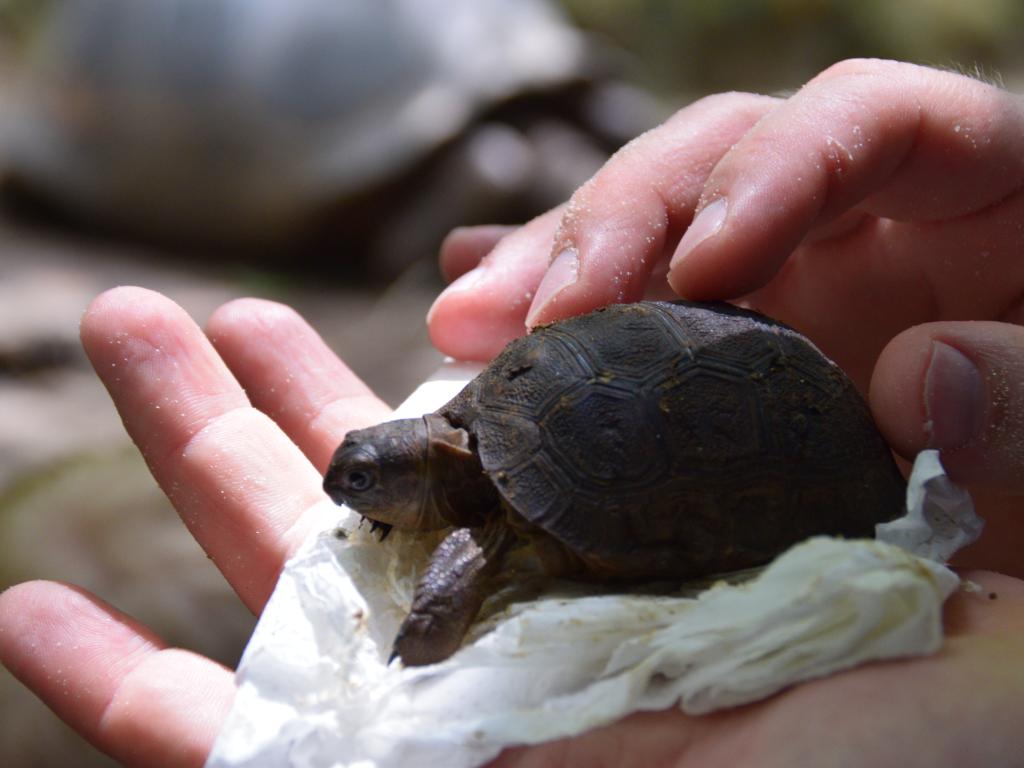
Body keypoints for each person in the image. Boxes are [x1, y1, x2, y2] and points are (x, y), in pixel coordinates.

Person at [1, 58, 1022, 767]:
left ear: (429, 465)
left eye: (368, 480)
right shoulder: (498, 409)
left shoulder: (478, 525)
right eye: (359, 475)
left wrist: (409, 669)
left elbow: (458, 572)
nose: (350, 491)